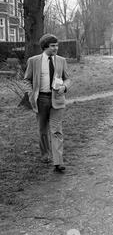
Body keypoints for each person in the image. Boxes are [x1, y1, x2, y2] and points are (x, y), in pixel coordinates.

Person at [24, 34, 72, 174]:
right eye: (52, 46)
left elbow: (68, 79)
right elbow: (26, 79)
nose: (56, 48)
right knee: (42, 130)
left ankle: (58, 162)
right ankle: (45, 155)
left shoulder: (62, 61)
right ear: (45, 46)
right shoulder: (33, 61)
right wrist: (31, 93)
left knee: (56, 130)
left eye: (57, 45)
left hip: (57, 99)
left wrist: (65, 87)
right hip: (41, 100)